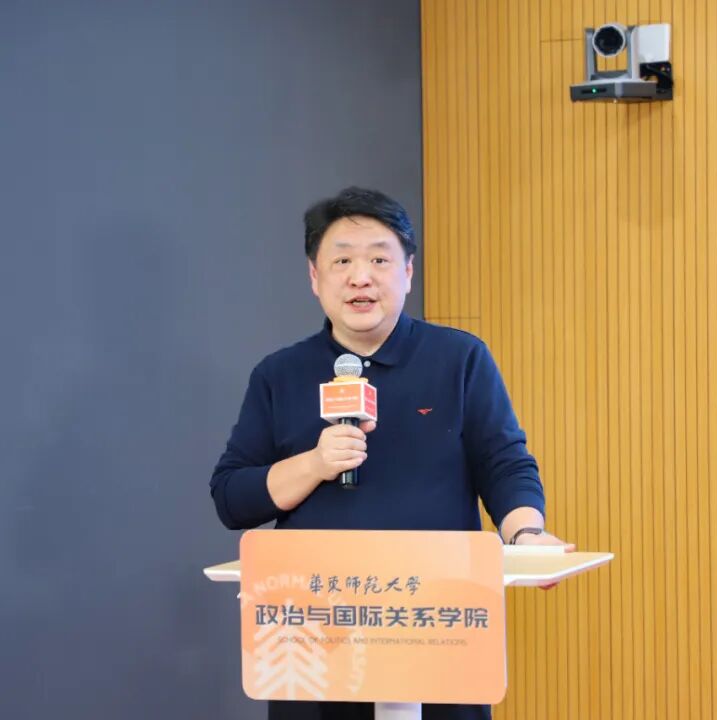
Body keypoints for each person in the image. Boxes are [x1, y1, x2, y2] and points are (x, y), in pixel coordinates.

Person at [210, 187, 571, 720]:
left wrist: (526, 534)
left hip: (434, 622)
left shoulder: (459, 358)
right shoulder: (279, 374)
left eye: (379, 259)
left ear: (408, 272)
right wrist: (315, 463)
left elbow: (504, 464)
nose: (361, 277)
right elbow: (232, 498)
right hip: (315, 634)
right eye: (342, 261)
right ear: (314, 277)